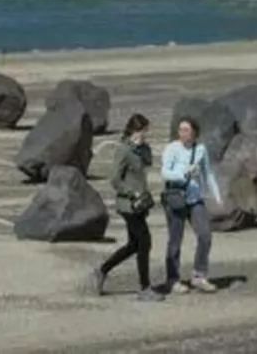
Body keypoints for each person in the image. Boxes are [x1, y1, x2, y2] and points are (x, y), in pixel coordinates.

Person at [90, 113, 163, 301]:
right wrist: (131, 192)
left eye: (146, 131)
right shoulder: (123, 150)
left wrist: (143, 147)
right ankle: (144, 288)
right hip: (128, 205)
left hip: (140, 204)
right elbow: (114, 178)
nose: (145, 134)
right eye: (143, 131)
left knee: (133, 245)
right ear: (134, 130)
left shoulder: (140, 148)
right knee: (145, 242)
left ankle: (103, 270)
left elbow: (148, 162)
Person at [160, 116, 219, 294]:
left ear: (194, 132)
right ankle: (172, 279)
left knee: (205, 235)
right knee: (175, 241)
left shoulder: (200, 149)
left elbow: (207, 174)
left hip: (195, 198)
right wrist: (183, 173)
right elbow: (165, 173)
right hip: (176, 198)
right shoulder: (172, 149)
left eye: (186, 130)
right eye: (180, 130)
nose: (182, 133)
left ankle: (199, 275)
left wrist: (216, 196)